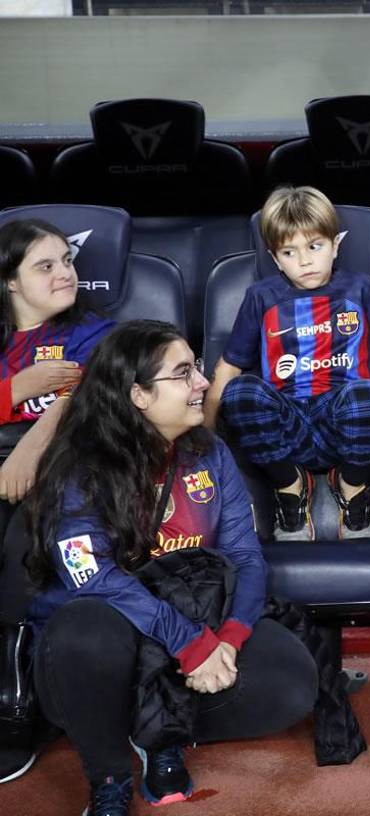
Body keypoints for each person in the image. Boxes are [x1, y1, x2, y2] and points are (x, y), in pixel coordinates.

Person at [21, 320, 319, 816]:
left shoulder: (210, 453)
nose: (202, 382)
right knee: (86, 631)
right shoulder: (80, 467)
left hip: (186, 628)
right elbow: (92, 576)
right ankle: (110, 774)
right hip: (100, 646)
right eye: (183, 373)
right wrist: (189, 642)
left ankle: (161, 733)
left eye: (196, 367)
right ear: (138, 395)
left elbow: (245, 557)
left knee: (290, 681)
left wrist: (229, 639)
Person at [203, 185, 370, 540]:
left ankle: (352, 487)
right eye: (289, 252)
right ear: (275, 258)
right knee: (240, 392)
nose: (304, 261)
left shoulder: (361, 289)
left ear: (335, 245)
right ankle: (290, 487)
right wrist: (205, 430)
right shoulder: (261, 297)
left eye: (314, 247)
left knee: (368, 395)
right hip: (287, 424)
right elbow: (229, 366)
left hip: (343, 421)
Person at [0, 219, 115, 785]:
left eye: (66, 261)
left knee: (32, 529)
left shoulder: (93, 332)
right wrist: (16, 389)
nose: (65, 273)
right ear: (10, 282)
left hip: (69, 464)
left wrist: (30, 448)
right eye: (44, 266)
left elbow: (87, 402)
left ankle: (15, 695)